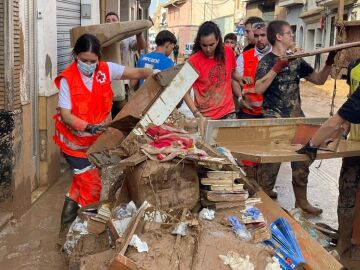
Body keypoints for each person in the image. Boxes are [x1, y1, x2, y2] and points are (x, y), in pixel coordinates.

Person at [54, 34, 152, 235]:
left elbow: (137, 72)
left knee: (79, 184)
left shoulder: (106, 70)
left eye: (93, 61)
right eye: (84, 60)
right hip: (74, 145)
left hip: (94, 143)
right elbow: (65, 115)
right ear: (75, 56)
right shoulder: (68, 78)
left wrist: (155, 72)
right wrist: (88, 127)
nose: (88, 65)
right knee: (92, 186)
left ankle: (65, 231)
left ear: (99, 57)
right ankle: (85, 234)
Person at [254, 20, 337, 215]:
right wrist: (277, 67)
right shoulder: (266, 61)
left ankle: (302, 202)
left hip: (296, 119)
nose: (293, 36)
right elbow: (258, 89)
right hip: (274, 121)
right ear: (279, 37)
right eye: (289, 33)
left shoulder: (297, 60)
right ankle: (263, 205)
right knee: (269, 168)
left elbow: (319, 80)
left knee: (302, 163)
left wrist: (329, 61)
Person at [297, 64, 360, 257]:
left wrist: (311, 145)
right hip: (355, 146)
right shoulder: (355, 67)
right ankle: (344, 243)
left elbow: (336, 119)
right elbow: (346, 117)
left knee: (348, 195)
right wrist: (342, 134)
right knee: (347, 194)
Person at [183, 21, 243, 120]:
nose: (208, 49)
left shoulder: (228, 52)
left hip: (228, 112)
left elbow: (232, 71)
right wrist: (196, 113)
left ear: (218, 40)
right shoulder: (193, 61)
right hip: (205, 116)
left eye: (211, 45)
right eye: (204, 45)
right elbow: (185, 92)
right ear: (199, 42)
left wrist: (242, 80)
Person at [105, 12, 146, 117]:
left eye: (114, 20)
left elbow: (140, 46)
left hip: (123, 82)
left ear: (119, 22)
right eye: (108, 20)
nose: (111, 22)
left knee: (121, 113)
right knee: (107, 112)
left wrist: (139, 34)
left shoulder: (126, 38)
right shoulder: (103, 38)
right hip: (106, 82)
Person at [236, 22, 271, 119]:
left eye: (263, 35)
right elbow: (235, 80)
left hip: (272, 113)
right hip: (249, 112)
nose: (259, 39)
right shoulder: (244, 57)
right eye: (256, 36)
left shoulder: (277, 56)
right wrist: (239, 98)